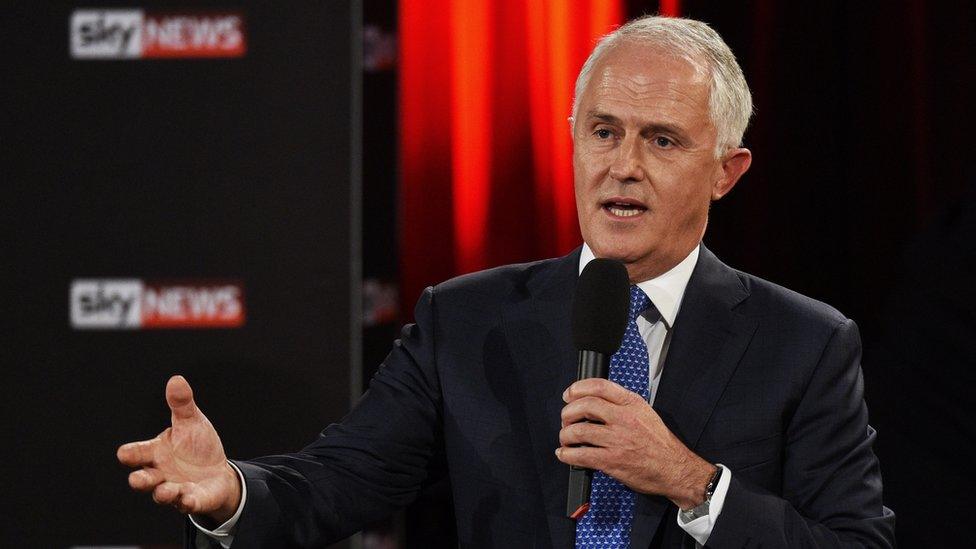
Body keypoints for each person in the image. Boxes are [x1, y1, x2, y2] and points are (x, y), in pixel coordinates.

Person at [118, 16, 895, 548]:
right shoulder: (466, 319)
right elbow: (341, 479)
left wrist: (691, 481)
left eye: (661, 139)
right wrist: (232, 491)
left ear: (727, 171)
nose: (623, 165)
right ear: (573, 140)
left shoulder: (806, 342)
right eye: (603, 131)